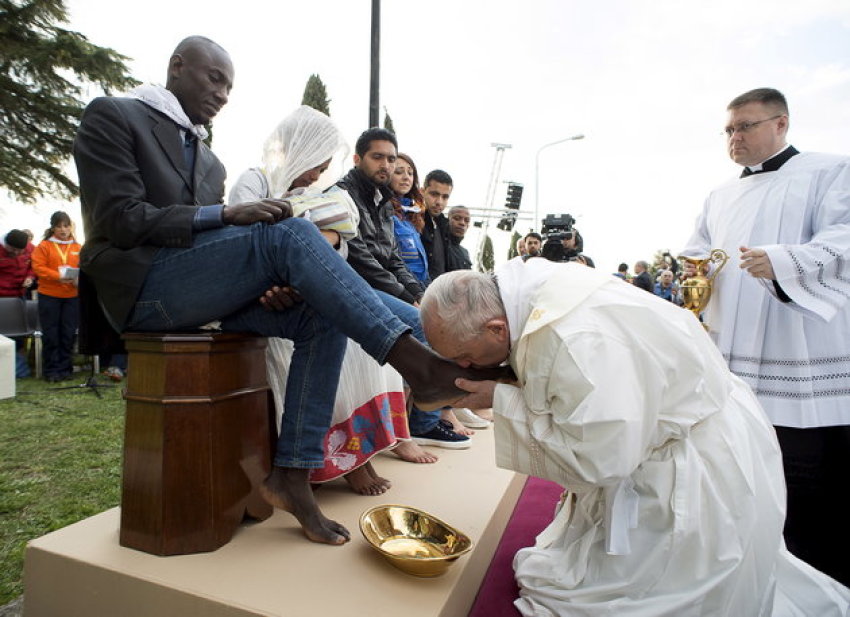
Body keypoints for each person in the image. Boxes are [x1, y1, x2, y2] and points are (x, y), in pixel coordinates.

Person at [73, 35, 508, 546]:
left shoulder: (208, 160)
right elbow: (119, 221)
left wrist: (264, 284)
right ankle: (419, 364)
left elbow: (212, 253)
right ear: (176, 66)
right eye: (215, 78)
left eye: (230, 86)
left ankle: (294, 474)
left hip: (197, 291)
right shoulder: (114, 115)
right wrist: (227, 215)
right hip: (144, 288)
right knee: (291, 231)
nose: (223, 94)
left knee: (318, 314)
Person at [420, 260, 850, 616]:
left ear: (497, 328)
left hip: (692, 462)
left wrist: (501, 399)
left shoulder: (573, 338)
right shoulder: (529, 288)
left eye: (465, 356)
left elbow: (601, 458)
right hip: (684, 426)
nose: (467, 366)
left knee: (634, 600)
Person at [681, 87, 850, 586]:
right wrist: (694, 277)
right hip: (734, 350)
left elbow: (844, 240)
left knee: (804, 480)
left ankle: (817, 576)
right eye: (729, 130)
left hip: (799, 348)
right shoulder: (719, 196)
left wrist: (782, 262)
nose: (735, 138)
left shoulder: (831, 170)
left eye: (746, 126)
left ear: (781, 124)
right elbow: (698, 253)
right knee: (743, 468)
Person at [229, 105, 413, 494]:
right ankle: (340, 460)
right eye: (315, 164)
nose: (317, 175)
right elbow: (244, 246)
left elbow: (334, 248)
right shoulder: (254, 183)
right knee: (339, 335)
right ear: (297, 150)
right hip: (262, 299)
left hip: (303, 290)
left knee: (366, 343)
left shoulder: (313, 196)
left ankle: (359, 453)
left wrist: (315, 249)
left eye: (323, 167)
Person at [30, 211, 80, 382]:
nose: (63, 230)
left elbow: (84, 267)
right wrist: (57, 276)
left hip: (72, 295)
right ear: (52, 228)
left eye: (66, 226)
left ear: (70, 227)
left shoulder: (77, 247)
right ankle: (51, 370)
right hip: (49, 295)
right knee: (51, 333)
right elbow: (38, 268)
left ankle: (66, 369)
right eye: (59, 226)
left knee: (68, 333)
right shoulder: (44, 246)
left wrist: (78, 279)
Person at [389, 152, 430, 286]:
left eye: (410, 173)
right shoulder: (385, 212)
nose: (406, 177)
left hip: (420, 286)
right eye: (399, 172)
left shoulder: (411, 214)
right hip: (402, 288)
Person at [419, 169, 453, 281]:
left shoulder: (444, 227)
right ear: (422, 191)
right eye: (434, 194)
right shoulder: (413, 221)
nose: (439, 202)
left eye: (445, 197)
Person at [445, 205, 472, 271]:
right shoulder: (439, 244)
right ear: (448, 220)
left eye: (467, 220)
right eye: (457, 218)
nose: (462, 223)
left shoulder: (465, 252)